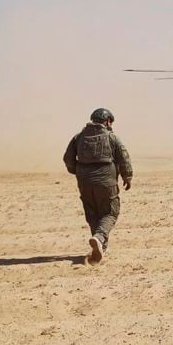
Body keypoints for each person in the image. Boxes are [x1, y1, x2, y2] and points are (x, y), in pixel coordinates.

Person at [63, 108, 133, 263]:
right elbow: (124, 158)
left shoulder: (79, 137)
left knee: (92, 213)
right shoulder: (112, 137)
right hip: (106, 181)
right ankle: (99, 238)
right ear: (107, 121)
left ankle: (100, 247)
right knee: (110, 213)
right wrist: (127, 177)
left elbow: (68, 159)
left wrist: (80, 172)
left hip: (84, 182)